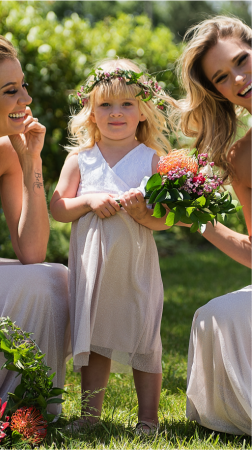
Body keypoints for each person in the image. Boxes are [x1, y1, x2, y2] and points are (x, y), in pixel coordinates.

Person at [50, 58, 174, 433]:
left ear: (142, 111)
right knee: (95, 338)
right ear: (90, 110)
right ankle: (90, 416)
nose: (115, 113)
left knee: (144, 337)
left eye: (126, 104)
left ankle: (148, 419)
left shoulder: (152, 160)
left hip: (135, 268)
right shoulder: (80, 160)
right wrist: (87, 201)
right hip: (94, 269)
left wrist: (141, 213)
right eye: (105, 104)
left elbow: (165, 219)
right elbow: (58, 207)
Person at [0, 33, 70, 415]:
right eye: (10, 91)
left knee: (53, 279)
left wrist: (32, 164)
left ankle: (25, 408)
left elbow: (32, 252)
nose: (25, 100)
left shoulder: (8, 149)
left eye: (23, 86)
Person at [174, 16, 252, 435]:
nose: (239, 78)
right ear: (217, 92)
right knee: (213, 317)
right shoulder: (240, 158)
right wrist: (201, 222)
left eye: (242, 60)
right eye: (223, 77)